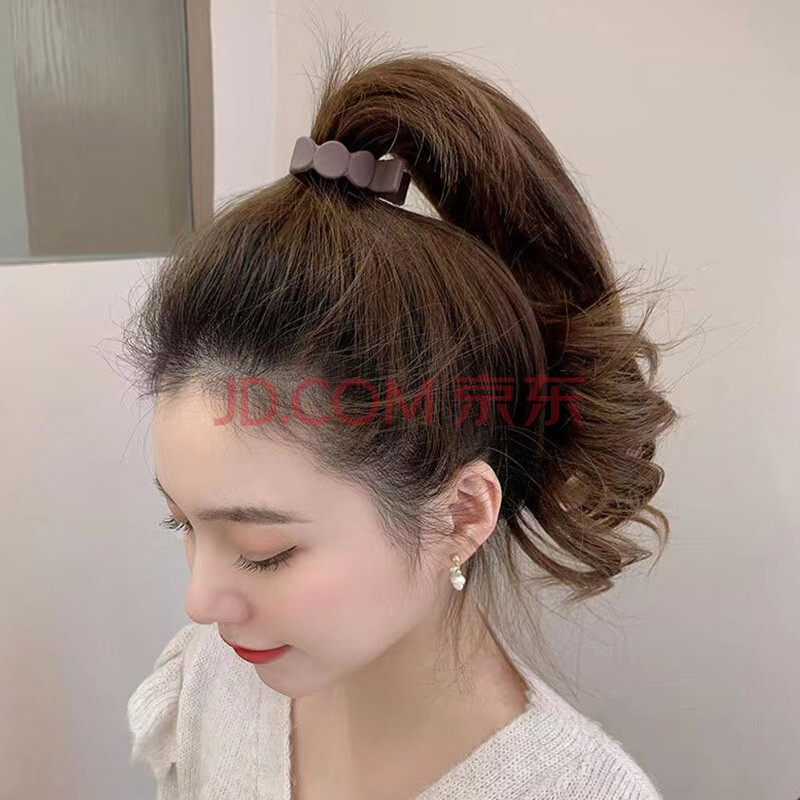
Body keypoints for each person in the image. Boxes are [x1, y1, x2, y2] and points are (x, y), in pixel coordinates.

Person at [123, 35, 677, 800]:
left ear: (460, 513)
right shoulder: (210, 684)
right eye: (181, 524)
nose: (199, 602)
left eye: (263, 551)